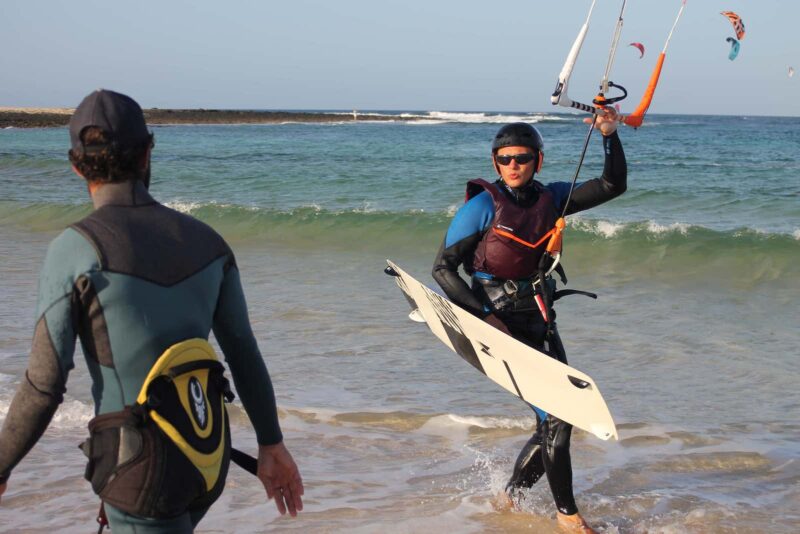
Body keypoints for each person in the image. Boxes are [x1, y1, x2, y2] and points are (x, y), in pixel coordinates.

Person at [0, 89, 304, 532]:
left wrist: (3, 466)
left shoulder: (73, 251)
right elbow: (242, 352)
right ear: (146, 154)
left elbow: (44, 385)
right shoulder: (210, 243)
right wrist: (271, 445)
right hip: (208, 456)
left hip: (137, 470)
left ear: (75, 164)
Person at [432, 111, 625, 533]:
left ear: (538, 160)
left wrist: (609, 136)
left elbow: (613, 185)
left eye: (521, 157)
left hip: (540, 319)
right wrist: (484, 319)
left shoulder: (552, 197)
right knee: (559, 414)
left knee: (557, 416)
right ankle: (568, 517)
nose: (513, 165)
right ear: (494, 163)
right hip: (498, 324)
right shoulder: (483, 206)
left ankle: (509, 498)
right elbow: (443, 270)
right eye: (504, 159)